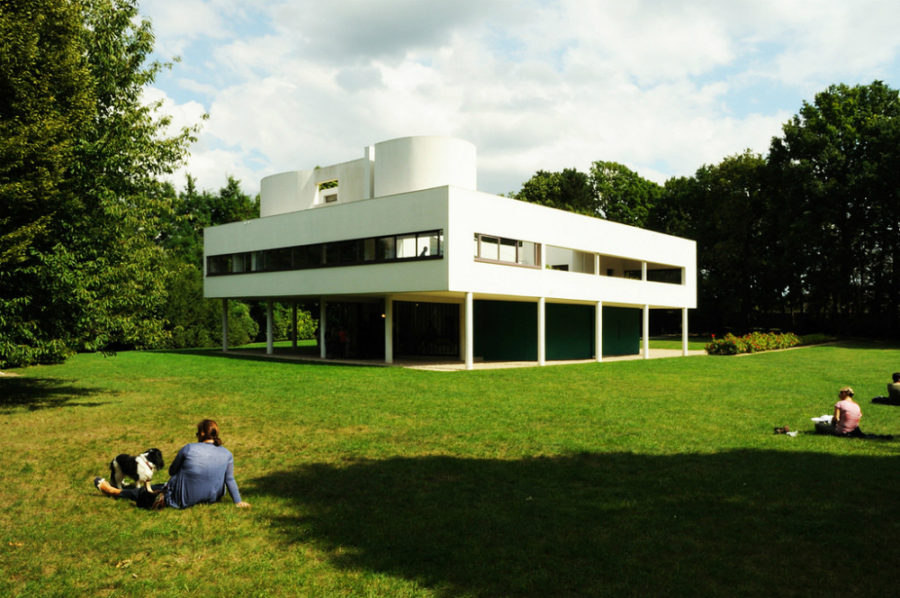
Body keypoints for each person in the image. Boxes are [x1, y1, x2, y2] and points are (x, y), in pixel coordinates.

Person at [94, 419, 251, 510]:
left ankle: (113, 491)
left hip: (182, 498)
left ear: (202, 434)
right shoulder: (227, 454)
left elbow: (172, 471)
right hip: (211, 497)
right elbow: (230, 480)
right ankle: (116, 490)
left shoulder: (189, 449)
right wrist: (238, 501)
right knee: (158, 487)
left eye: (197, 433)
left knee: (146, 492)